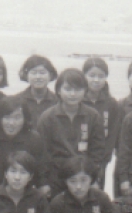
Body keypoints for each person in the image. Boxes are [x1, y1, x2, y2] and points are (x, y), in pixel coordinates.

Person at [36, 69, 105, 197]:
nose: (72, 94)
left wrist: (95, 179)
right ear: (58, 90)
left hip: (83, 177)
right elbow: (42, 154)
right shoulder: (47, 118)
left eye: (77, 89)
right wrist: (43, 183)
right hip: (56, 178)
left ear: (85, 90)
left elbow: (98, 152)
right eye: (67, 89)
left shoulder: (93, 116)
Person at [0, 98, 48, 196]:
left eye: (17, 118)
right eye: (7, 117)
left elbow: (42, 170)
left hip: (25, 193)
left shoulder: (34, 139)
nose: (11, 123)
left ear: (25, 119)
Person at [82, 57, 123, 191]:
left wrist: (104, 159)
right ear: (84, 76)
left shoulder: (111, 103)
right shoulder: (78, 100)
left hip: (100, 160)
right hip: (79, 156)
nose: (96, 80)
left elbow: (113, 134)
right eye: (92, 75)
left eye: (101, 76)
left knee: (96, 192)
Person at [14, 55, 59, 127]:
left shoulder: (58, 101)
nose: (38, 77)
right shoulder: (16, 100)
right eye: (34, 73)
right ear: (26, 75)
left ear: (50, 75)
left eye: (42, 73)